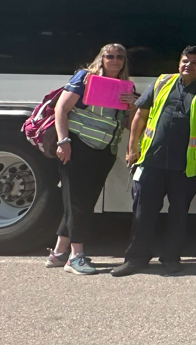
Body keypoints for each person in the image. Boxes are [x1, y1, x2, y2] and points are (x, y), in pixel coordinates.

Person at [112, 46, 196, 276]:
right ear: (178, 63)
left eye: (194, 62)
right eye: (184, 60)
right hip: (152, 160)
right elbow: (141, 115)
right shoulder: (162, 82)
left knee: (179, 214)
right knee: (143, 211)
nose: (187, 65)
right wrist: (132, 148)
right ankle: (136, 259)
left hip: (187, 165)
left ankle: (171, 257)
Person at [46, 43, 136, 274]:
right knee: (78, 203)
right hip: (77, 148)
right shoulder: (85, 78)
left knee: (81, 202)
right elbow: (61, 109)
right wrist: (63, 141)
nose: (115, 60)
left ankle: (58, 253)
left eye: (119, 57)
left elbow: (126, 124)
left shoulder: (127, 87)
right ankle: (75, 258)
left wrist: (133, 106)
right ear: (101, 58)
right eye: (110, 56)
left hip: (104, 151)